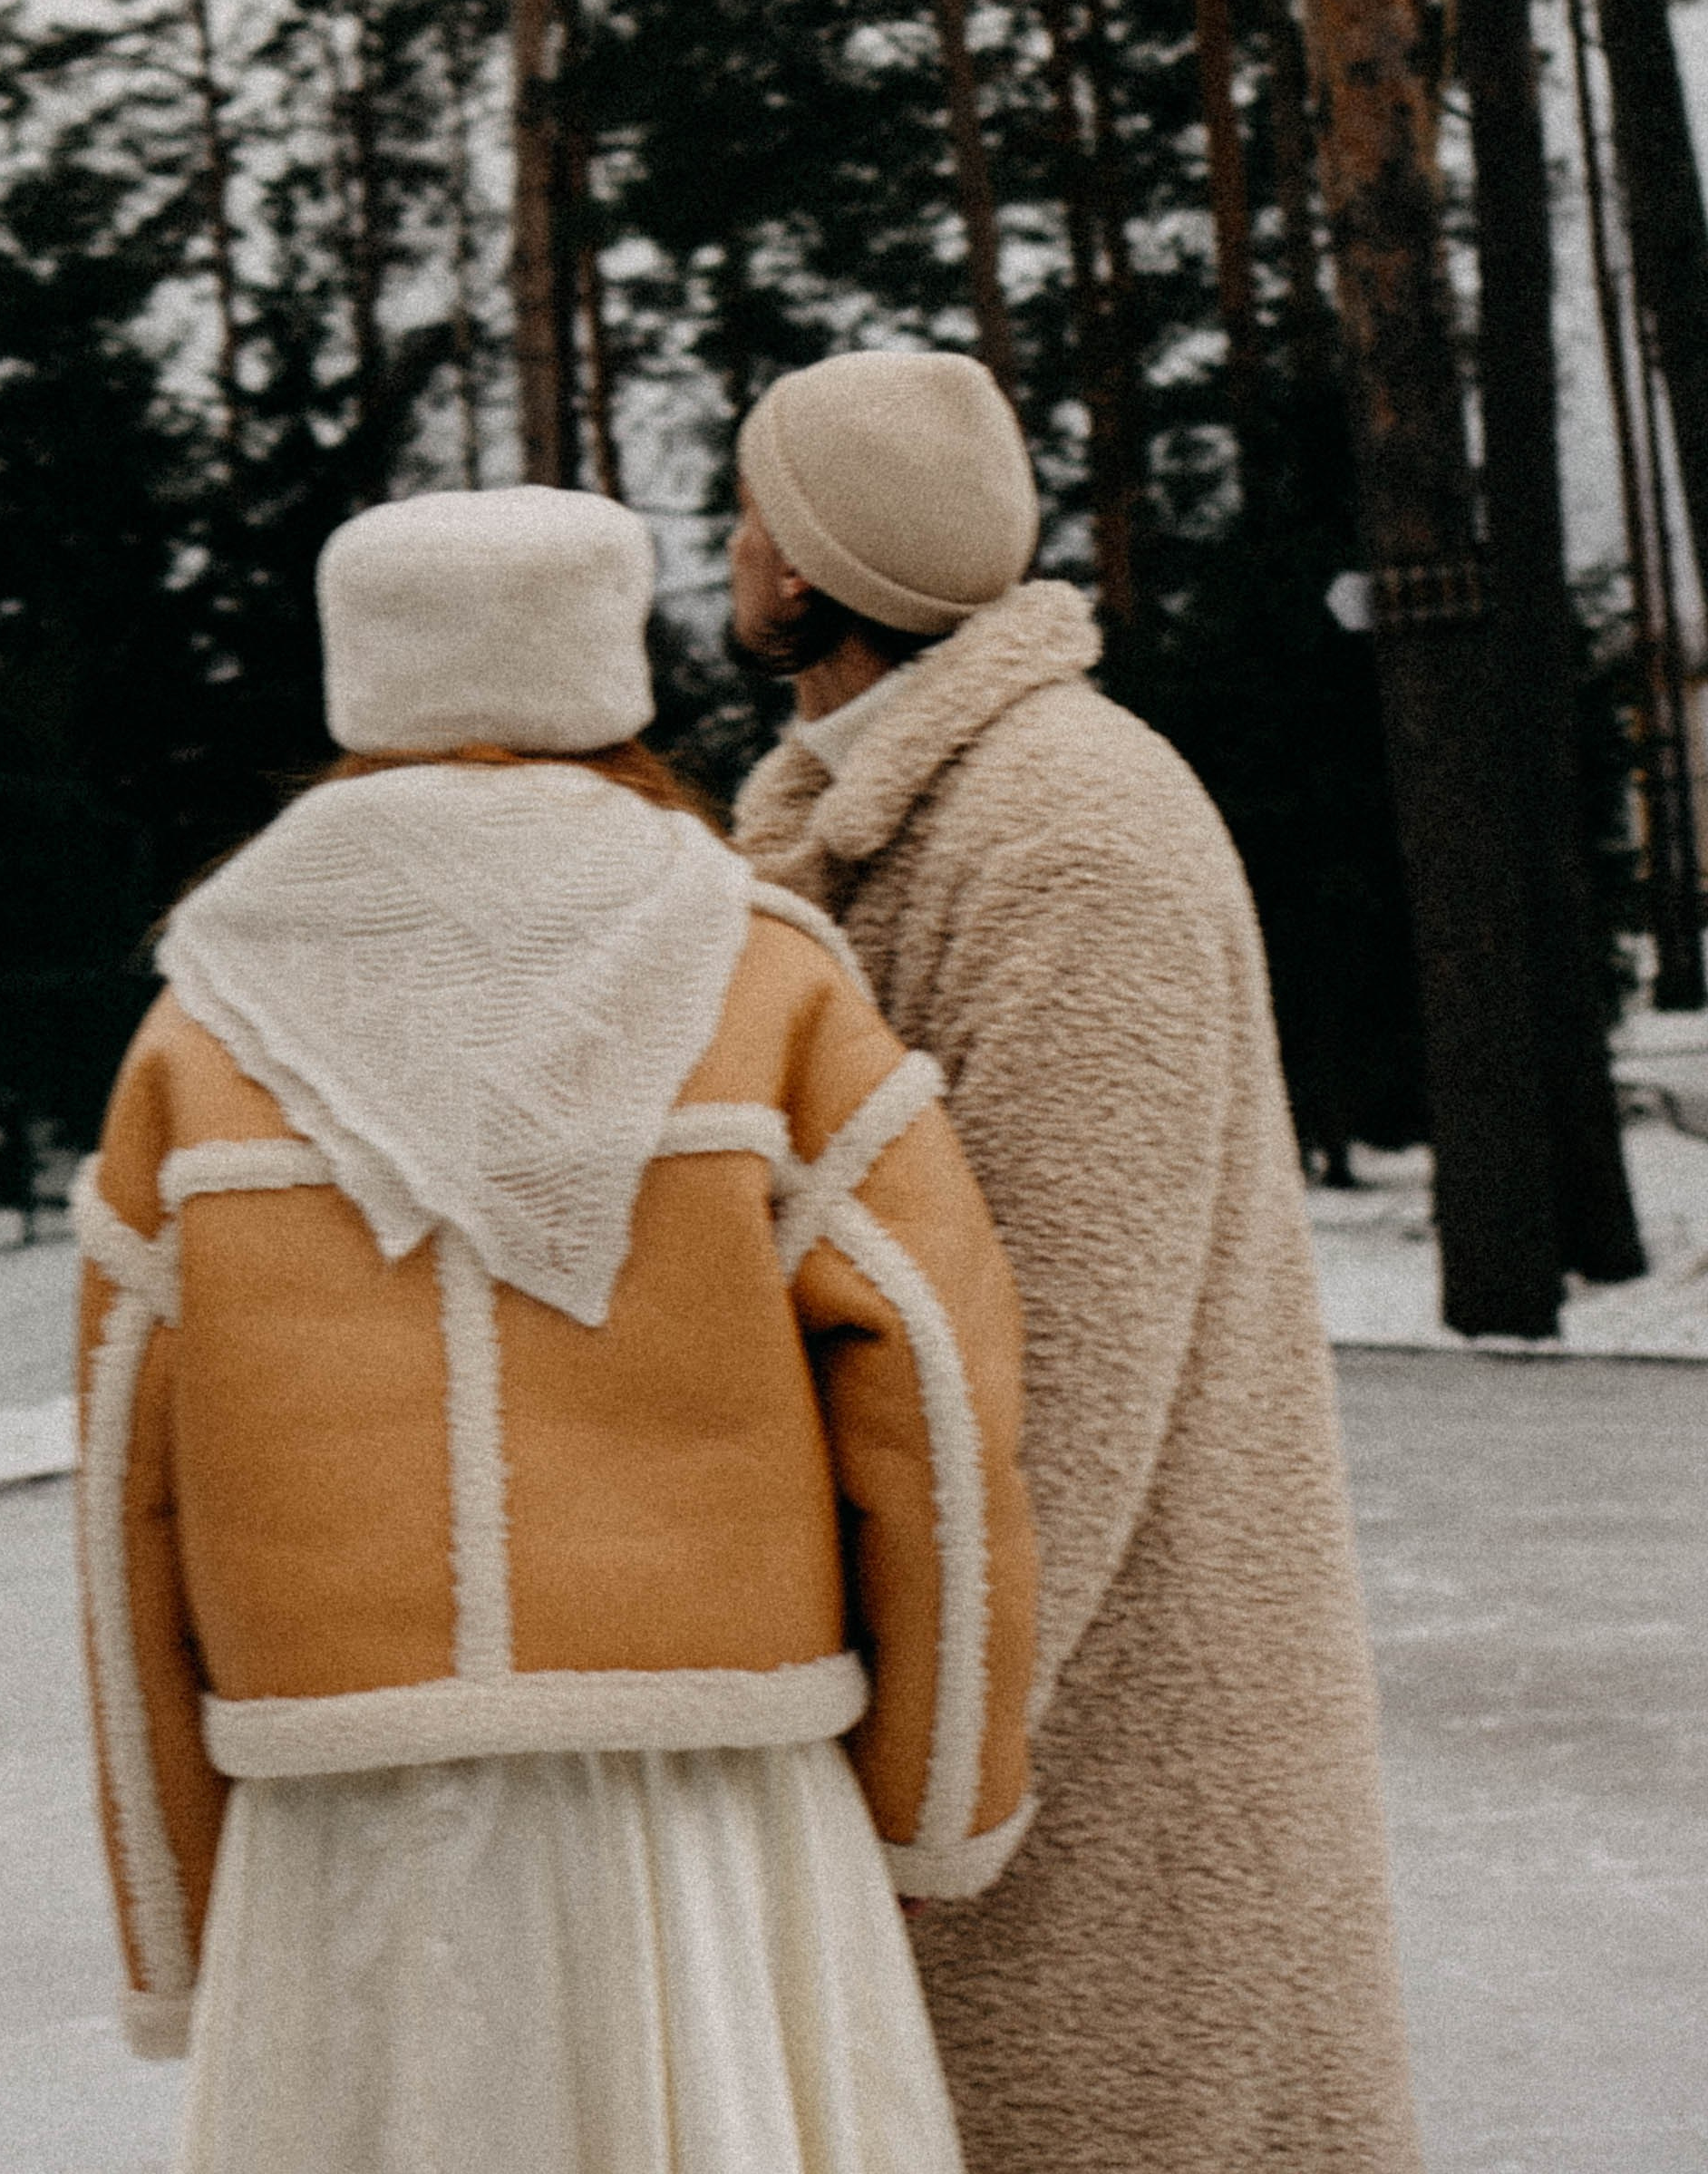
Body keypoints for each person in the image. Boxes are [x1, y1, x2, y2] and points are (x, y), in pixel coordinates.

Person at [74, 481, 1036, 2174]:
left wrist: (177, 1911)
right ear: (616, 665)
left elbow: (121, 1507)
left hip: (343, 1820)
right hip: (715, 1812)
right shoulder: (771, 976)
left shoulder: (195, 1019)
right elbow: (938, 1406)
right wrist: (936, 1791)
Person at [729, 350, 1424, 2174]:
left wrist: (924, 1765)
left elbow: (1062, 1369)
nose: (726, 547)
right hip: (995, 1746)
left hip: (1114, 1764)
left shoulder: (1068, 831)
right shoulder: (883, 808)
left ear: (802, 566)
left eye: (750, 509)